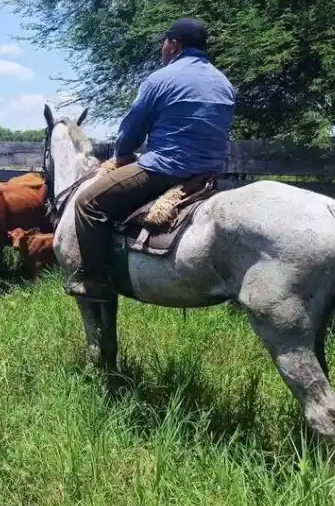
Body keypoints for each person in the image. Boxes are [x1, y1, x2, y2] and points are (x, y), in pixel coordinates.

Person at [65, 17, 237, 299]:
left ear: (174, 44)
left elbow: (131, 130)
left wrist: (122, 155)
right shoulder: (224, 83)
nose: (162, 49)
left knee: (87, 203)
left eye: (164, 43)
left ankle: (95, 280)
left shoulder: (161, 79)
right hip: (207, 175)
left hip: (165, 169)